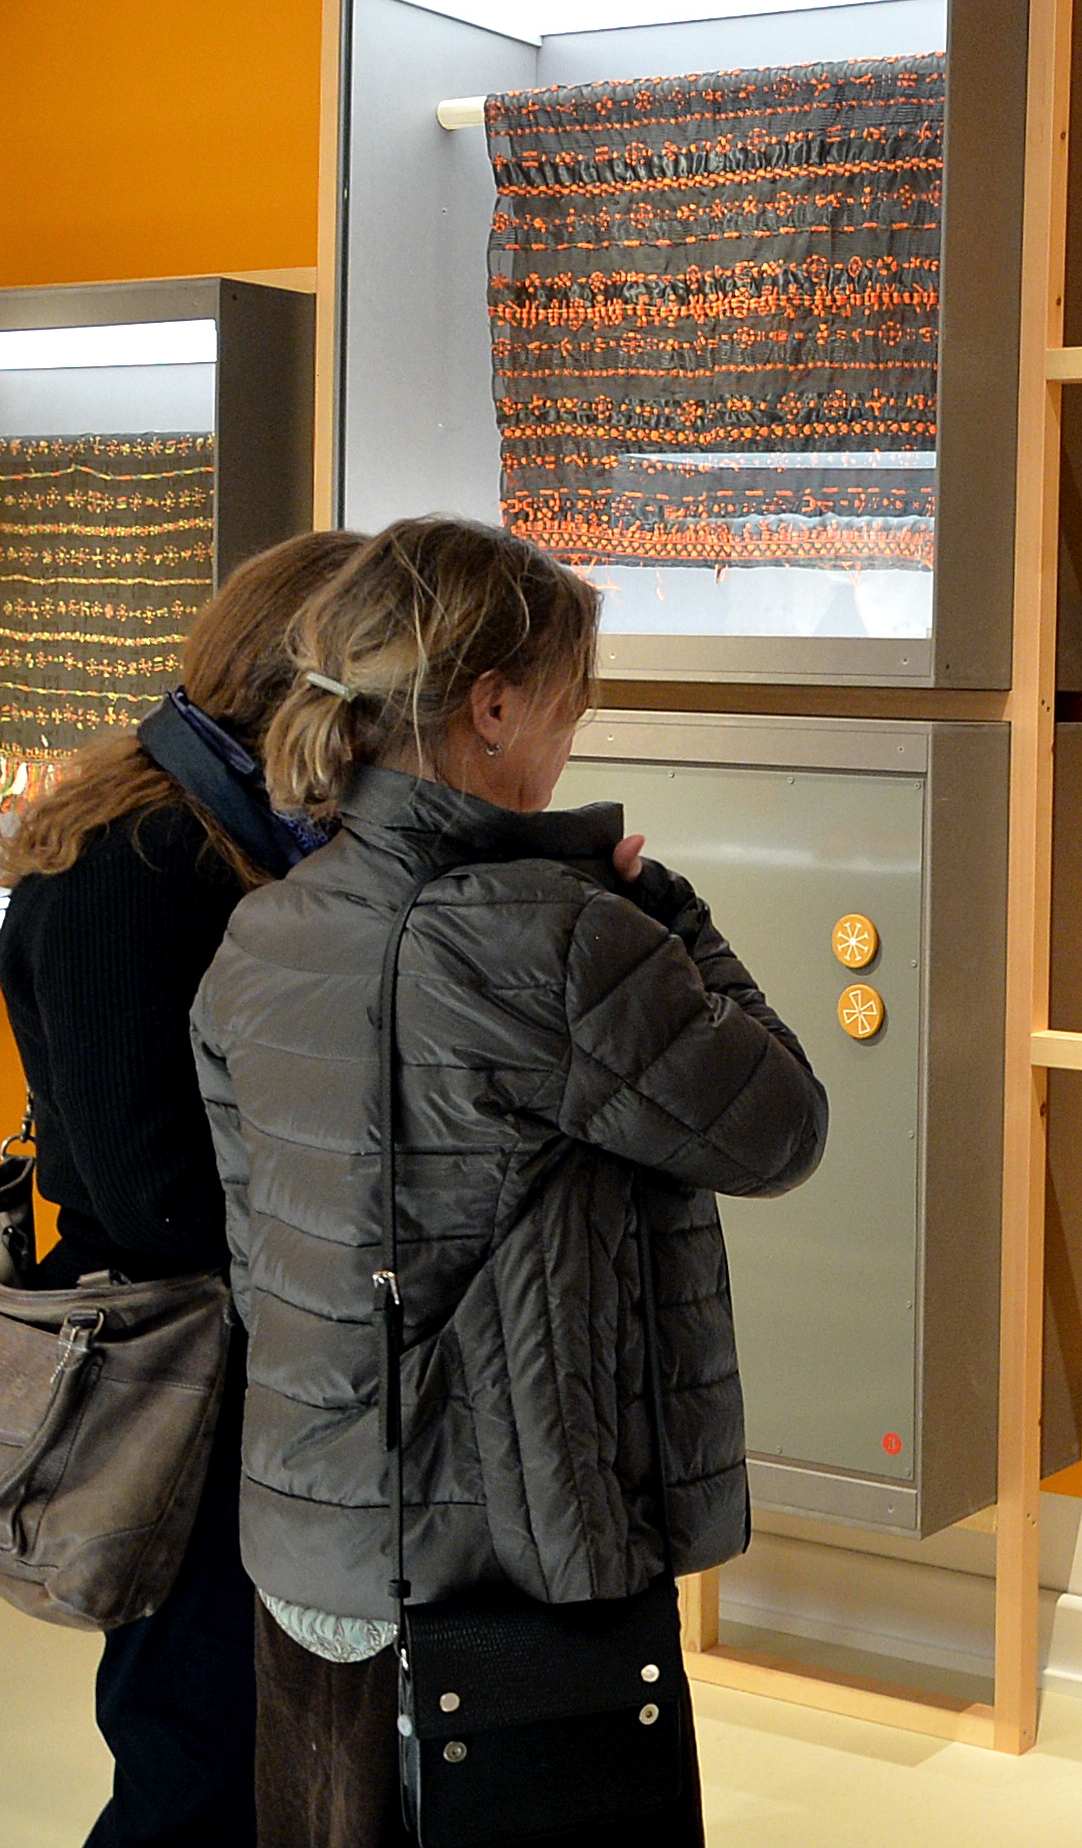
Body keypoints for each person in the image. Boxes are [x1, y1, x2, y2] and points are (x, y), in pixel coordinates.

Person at [190, 517, 830, 1848]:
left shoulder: (267, 928)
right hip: (511, 1555)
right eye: (568, 702)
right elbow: (778, 1126)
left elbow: (259, 1253)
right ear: (491, 707)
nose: (573, 735)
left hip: (314, 1542)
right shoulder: (551, 934)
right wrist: (675, 919)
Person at [0, 529, 366, 1848]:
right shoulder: (145, 862)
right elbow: (157, 1193)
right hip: (189, 1373)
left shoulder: (211, 831)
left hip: (231, 1369)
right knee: (197, 1762)